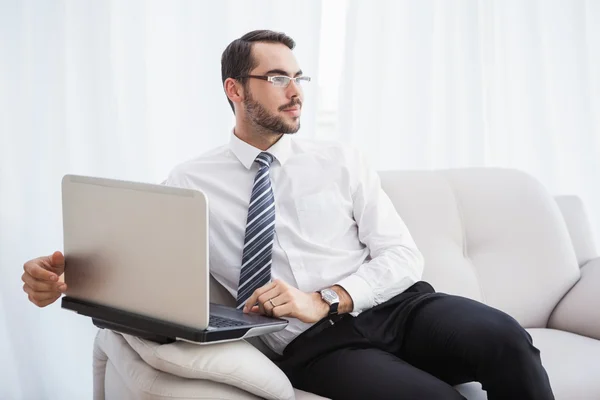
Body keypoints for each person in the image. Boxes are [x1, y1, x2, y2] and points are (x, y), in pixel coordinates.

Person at [21, 30, 555, 400]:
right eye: (277, 77)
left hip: (398, 309)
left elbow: (402, 255)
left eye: (298, 76)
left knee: (508, 341)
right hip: (311, 346)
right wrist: (66, 278)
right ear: (235, 90)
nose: (295, 91)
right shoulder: (188, 183)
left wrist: (327, 298)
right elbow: (136, 264)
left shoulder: (340, 160)